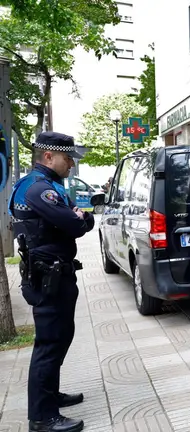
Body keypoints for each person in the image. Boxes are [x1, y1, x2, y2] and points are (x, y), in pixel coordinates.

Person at [8, 132, 95, 432]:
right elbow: (76, 223)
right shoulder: (38, 189)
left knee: (60, 337)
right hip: (48, 276)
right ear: (48, 156)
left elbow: (83, 219)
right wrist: (78, 217)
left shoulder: (42, 186)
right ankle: (43, 417)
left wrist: (79, 218)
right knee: (49, 344)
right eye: (67, 157)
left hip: (54, 274)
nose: (71, 163)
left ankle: (50, 396)